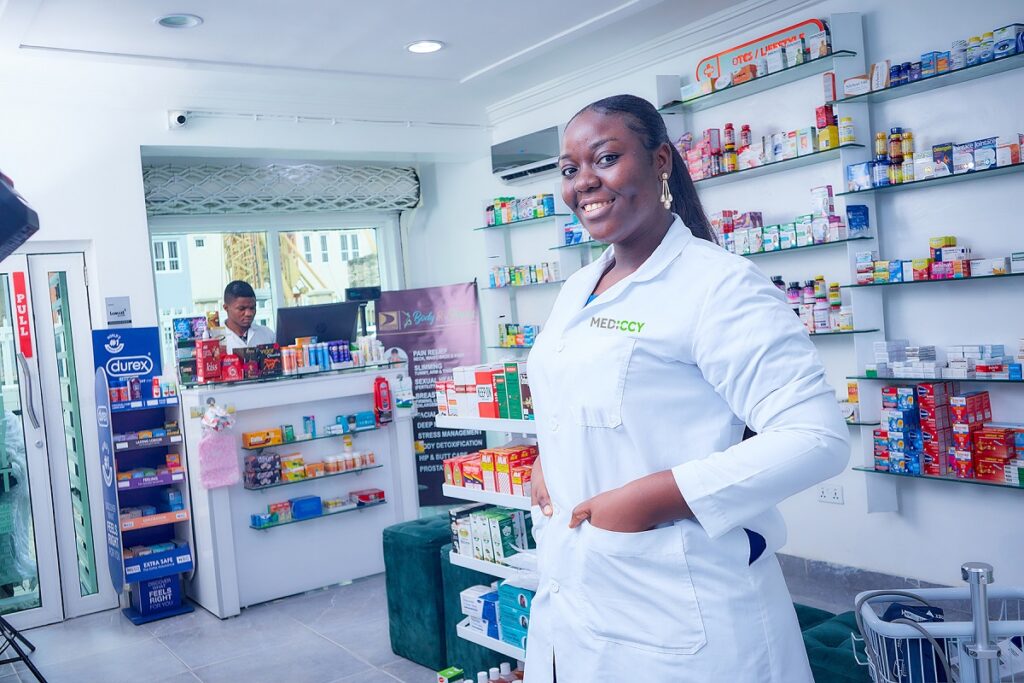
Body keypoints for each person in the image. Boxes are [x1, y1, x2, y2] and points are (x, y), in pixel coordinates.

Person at [524, 94, 849, 682]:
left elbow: (816, 438)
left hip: (684, 606)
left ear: (661, 161)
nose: (584, 182)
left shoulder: (719, 285)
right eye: (570, 169)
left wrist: (647, 499)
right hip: (578, 589)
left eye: (606, 158)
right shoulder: (577, 288)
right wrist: (553, 454)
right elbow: (578, 398)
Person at [220, 280, 275, 353]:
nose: (249, 313)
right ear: (226, 308)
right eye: (241, 309)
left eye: (252, 308)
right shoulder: (216, 339)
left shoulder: (267, 334)